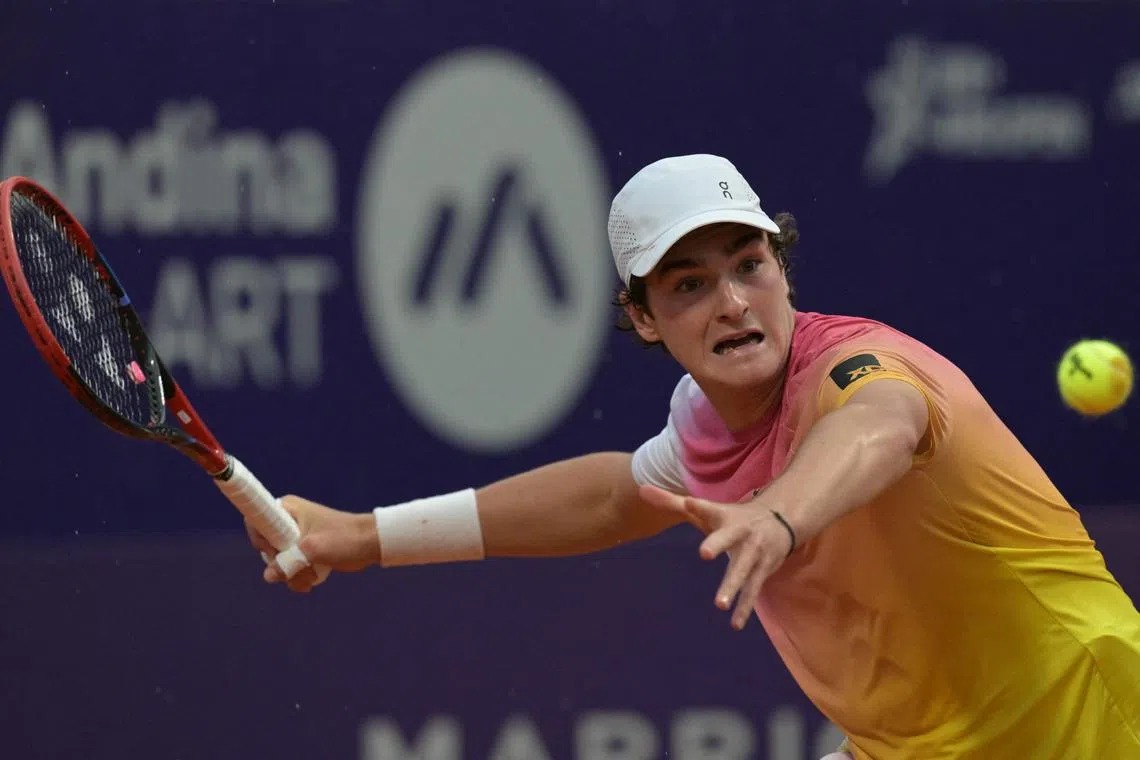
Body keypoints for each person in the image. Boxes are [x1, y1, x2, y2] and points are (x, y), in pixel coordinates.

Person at [248, 154, 1140, 759]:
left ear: (782, 268)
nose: (732, 302)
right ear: (641, 318)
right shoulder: (702, 435)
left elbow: (881, 424)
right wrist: (361, 537)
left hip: (1092, 724)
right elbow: (609, 498)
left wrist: (779, 515)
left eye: (749, 264)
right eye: (688, 285)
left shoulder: (858, 364)